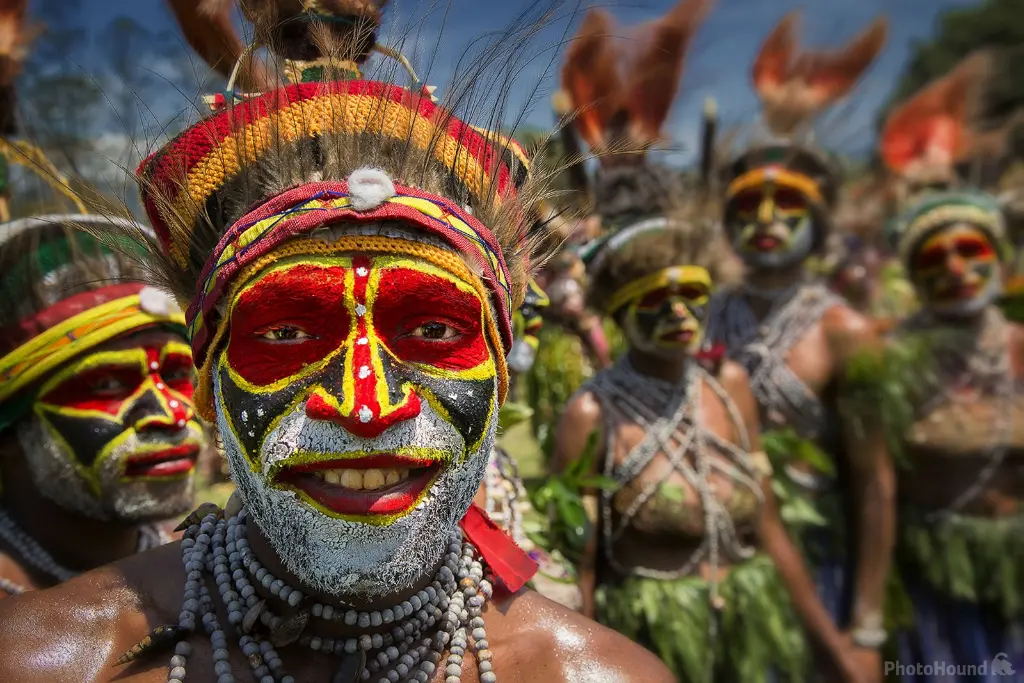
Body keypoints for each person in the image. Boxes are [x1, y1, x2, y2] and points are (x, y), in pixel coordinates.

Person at [0, 4, 674, 682]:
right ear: (206, 386)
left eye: (434, 330)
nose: (366, 405)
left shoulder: (593, 672)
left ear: (500, 375)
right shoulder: (42, 661)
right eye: (287, 332)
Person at [0, 215, 204, 596]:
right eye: (107, 384)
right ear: (9, 430)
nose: (172, 414)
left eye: (176, 375)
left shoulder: (203, 565)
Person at [876, 191, 1024, 681]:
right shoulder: (893, 360)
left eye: (970, 251)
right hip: (935, 581)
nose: (956, 269)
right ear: (914, 278)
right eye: (936, 259)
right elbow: (873, 487)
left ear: (999, 259)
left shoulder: (1019, 345)